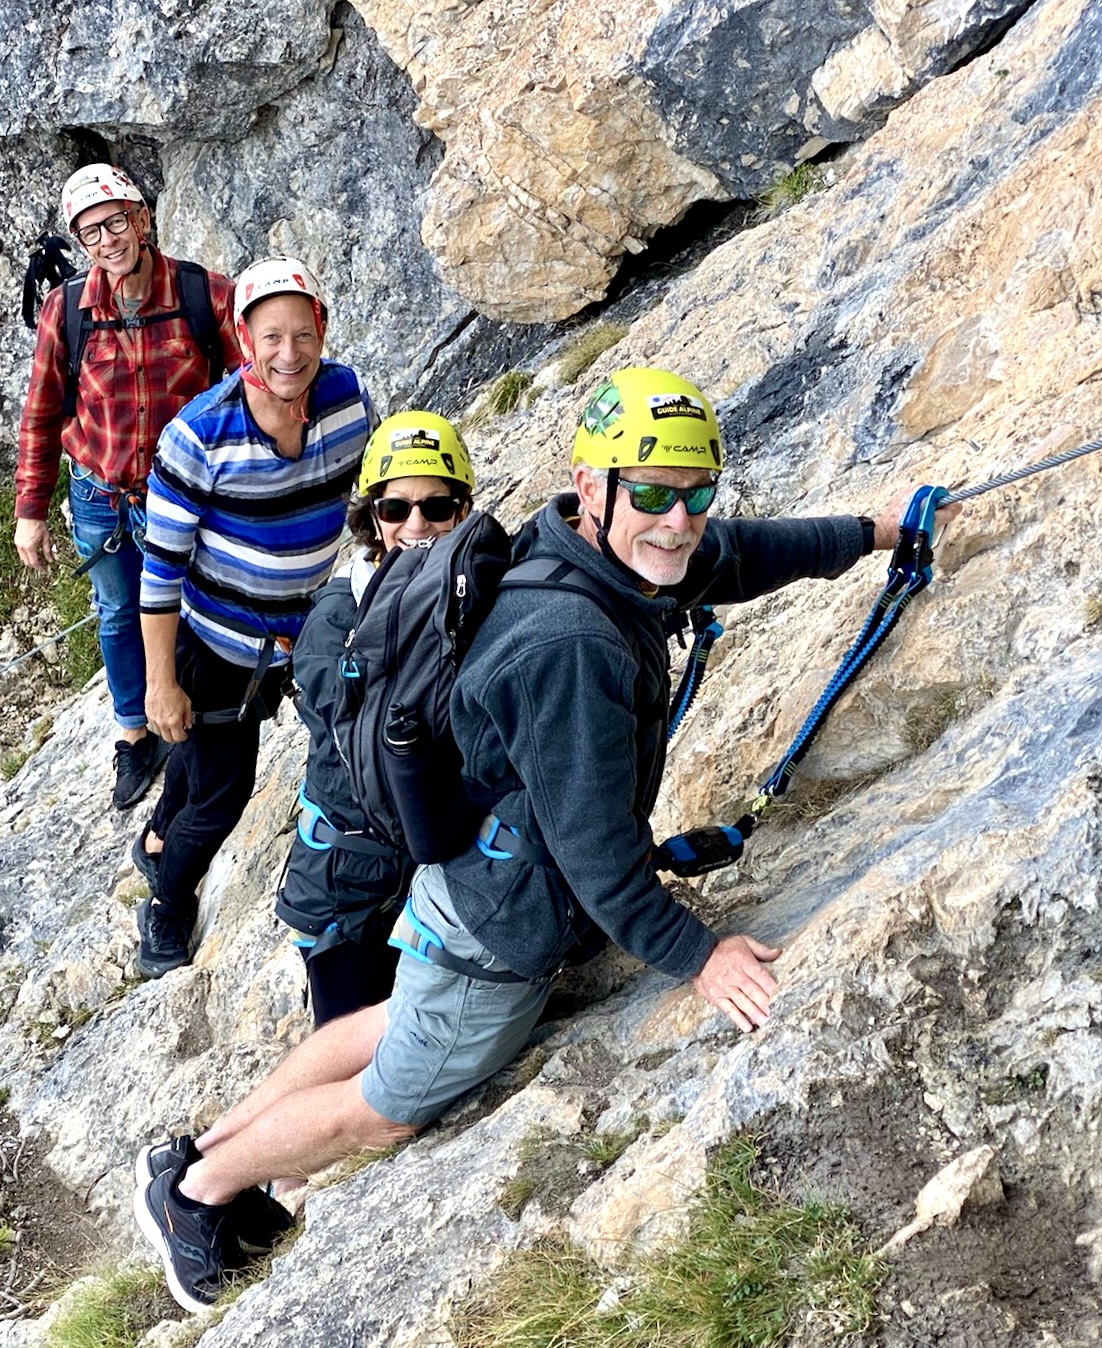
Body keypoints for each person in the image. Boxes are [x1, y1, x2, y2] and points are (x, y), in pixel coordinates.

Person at [132, 367, 960, 1312]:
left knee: (392, 1024)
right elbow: (599, 861)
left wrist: (874, 532)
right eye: (651, 493)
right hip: (497, 928)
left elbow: (740, 552)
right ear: (593, 483)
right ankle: (200, 1195)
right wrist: (702, 957)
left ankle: (196, 1152)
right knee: (387, 1107)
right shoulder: (572, 643)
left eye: (695, 493)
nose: (678, 519)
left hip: (461, 885)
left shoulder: (593, 547)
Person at [133, 257, 373, 980]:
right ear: (243, 339)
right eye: (271, 337)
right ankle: (168, 901)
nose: (289, 354)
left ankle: (156, 834)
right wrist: (159, 685)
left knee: (201, 763)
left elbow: (369, 486)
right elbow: (160, 574)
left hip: (293, 638)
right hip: (214, 646)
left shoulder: (348, 397)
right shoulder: (198, 435)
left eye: (302, 334)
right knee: (223, 794)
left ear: (322, 330)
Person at [14, 164, 241, 811]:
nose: (107, 239)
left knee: (193, 605)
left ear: (142, 220)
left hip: (184, 494)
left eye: (116, 221)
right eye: (90, 232)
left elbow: (251, 379)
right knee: (117, 613)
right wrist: (31, 510)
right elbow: (42, 411)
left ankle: (191, 714)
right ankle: (134, 734)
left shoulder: (204, 294)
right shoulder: (68, 311)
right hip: (100, 494)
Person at [278, 412, 477, 1027]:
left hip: (434, 869)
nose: (416, 526)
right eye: (395, 510)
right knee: (353, 1051)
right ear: (372, 517)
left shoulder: (467, 590)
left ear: (461, 513)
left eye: (437, 508)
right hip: (350, 889)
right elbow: (347, 727)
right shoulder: (338, 616)